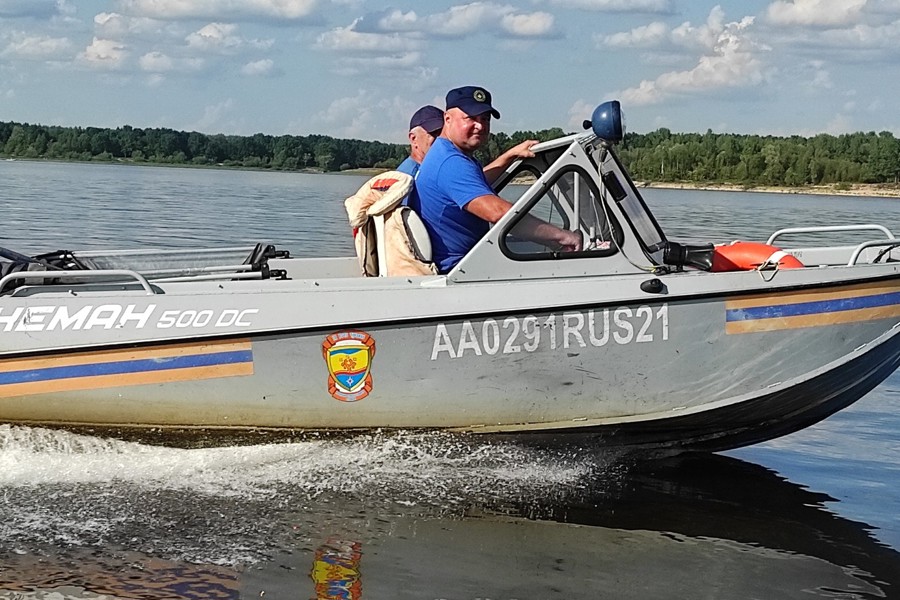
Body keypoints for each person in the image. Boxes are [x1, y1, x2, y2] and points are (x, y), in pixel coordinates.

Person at [413, 86, 582, 273]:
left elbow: (476, 184)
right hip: (460, 272)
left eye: (485, 119)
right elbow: (498, 213)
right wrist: (562, 237)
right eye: (470, 118)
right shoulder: (451, 163)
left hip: (465, 265)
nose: (480, 125)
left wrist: (509, 156)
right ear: (447, 119)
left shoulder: (446, 154)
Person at [396, 105, 444, 178]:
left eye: (443, 133)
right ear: (413, 139)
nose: (441, 139)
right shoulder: (407, 179)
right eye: (434, 133)